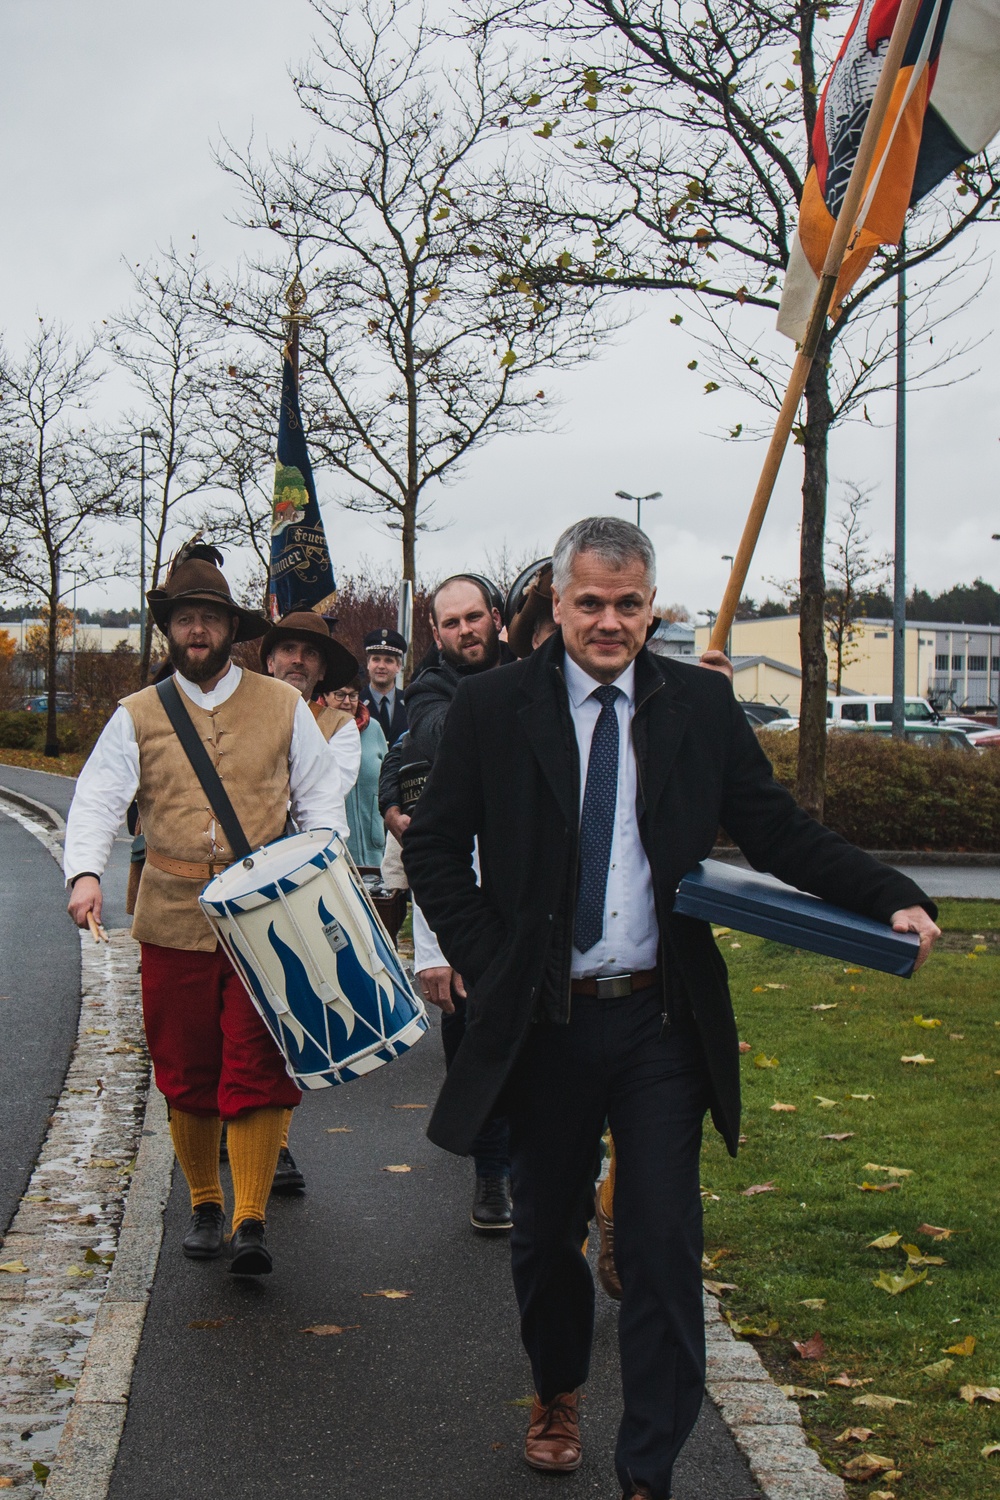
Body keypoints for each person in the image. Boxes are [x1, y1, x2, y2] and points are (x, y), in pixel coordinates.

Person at [403, 517, 940, 1499]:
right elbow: (434, 846)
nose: (611, 622)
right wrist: (490, 956)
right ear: (557, 604)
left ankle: (647, 1466)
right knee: (546, 1237)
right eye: (592, 602)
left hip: (659, 1023)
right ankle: (557, 1387)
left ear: (653, 607)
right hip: (545, 1023)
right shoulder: (492, 708)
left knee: (658, 1241)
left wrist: (887, 894)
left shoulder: (697, 703)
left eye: (630, 603)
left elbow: (774, 828)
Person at [65, 543, 349, 1277]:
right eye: (186, 618)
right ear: (170, 630)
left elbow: (321, 804)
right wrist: (86, 874)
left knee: (259, 1065)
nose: (198, 631)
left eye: (210, 619)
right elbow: (97, 798)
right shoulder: (137, 715)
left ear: (232, 629)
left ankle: (251, 1219)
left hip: (267, 920)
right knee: (186, 1068)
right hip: (170, 915)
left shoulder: (283, 704)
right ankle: (203, 1202)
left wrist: (319, 872)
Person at [402, 574, 515, 1231]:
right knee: (477, 1049)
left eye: (475, 617)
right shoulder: (431, 694)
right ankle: (493, 1180)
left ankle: (529, 1170)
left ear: (496, 619)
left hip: (534, 902)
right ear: (437, 634)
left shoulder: (538, 674)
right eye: (452, 622)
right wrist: (435, 950)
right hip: (464, 907)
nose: (466, 630)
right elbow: (432, 844)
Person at [260, 608, 360, 1195]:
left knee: (287, 1014)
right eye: (287, 650)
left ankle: (275, 1140)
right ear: (270, 658)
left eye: (309, 653)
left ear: (321, 669)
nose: (297, 660)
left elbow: (320, 795)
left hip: (298, 890)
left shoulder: (335, 728)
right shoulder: (231, 713)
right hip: (227, 885)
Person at [328, 676, 389, 869]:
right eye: (340, 695)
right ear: (325, 695)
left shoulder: (374, 729)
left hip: (376, 853)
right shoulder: (314, 729)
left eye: (353, 696)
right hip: (336, 856)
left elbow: (388, 782)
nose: (347, 702)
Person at [361, 628, 408, 745]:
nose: (381, 666)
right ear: (368, 664)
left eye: (388, 661)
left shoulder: (410, 703)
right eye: (376, 659)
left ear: (398, 666)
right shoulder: (356, 702)